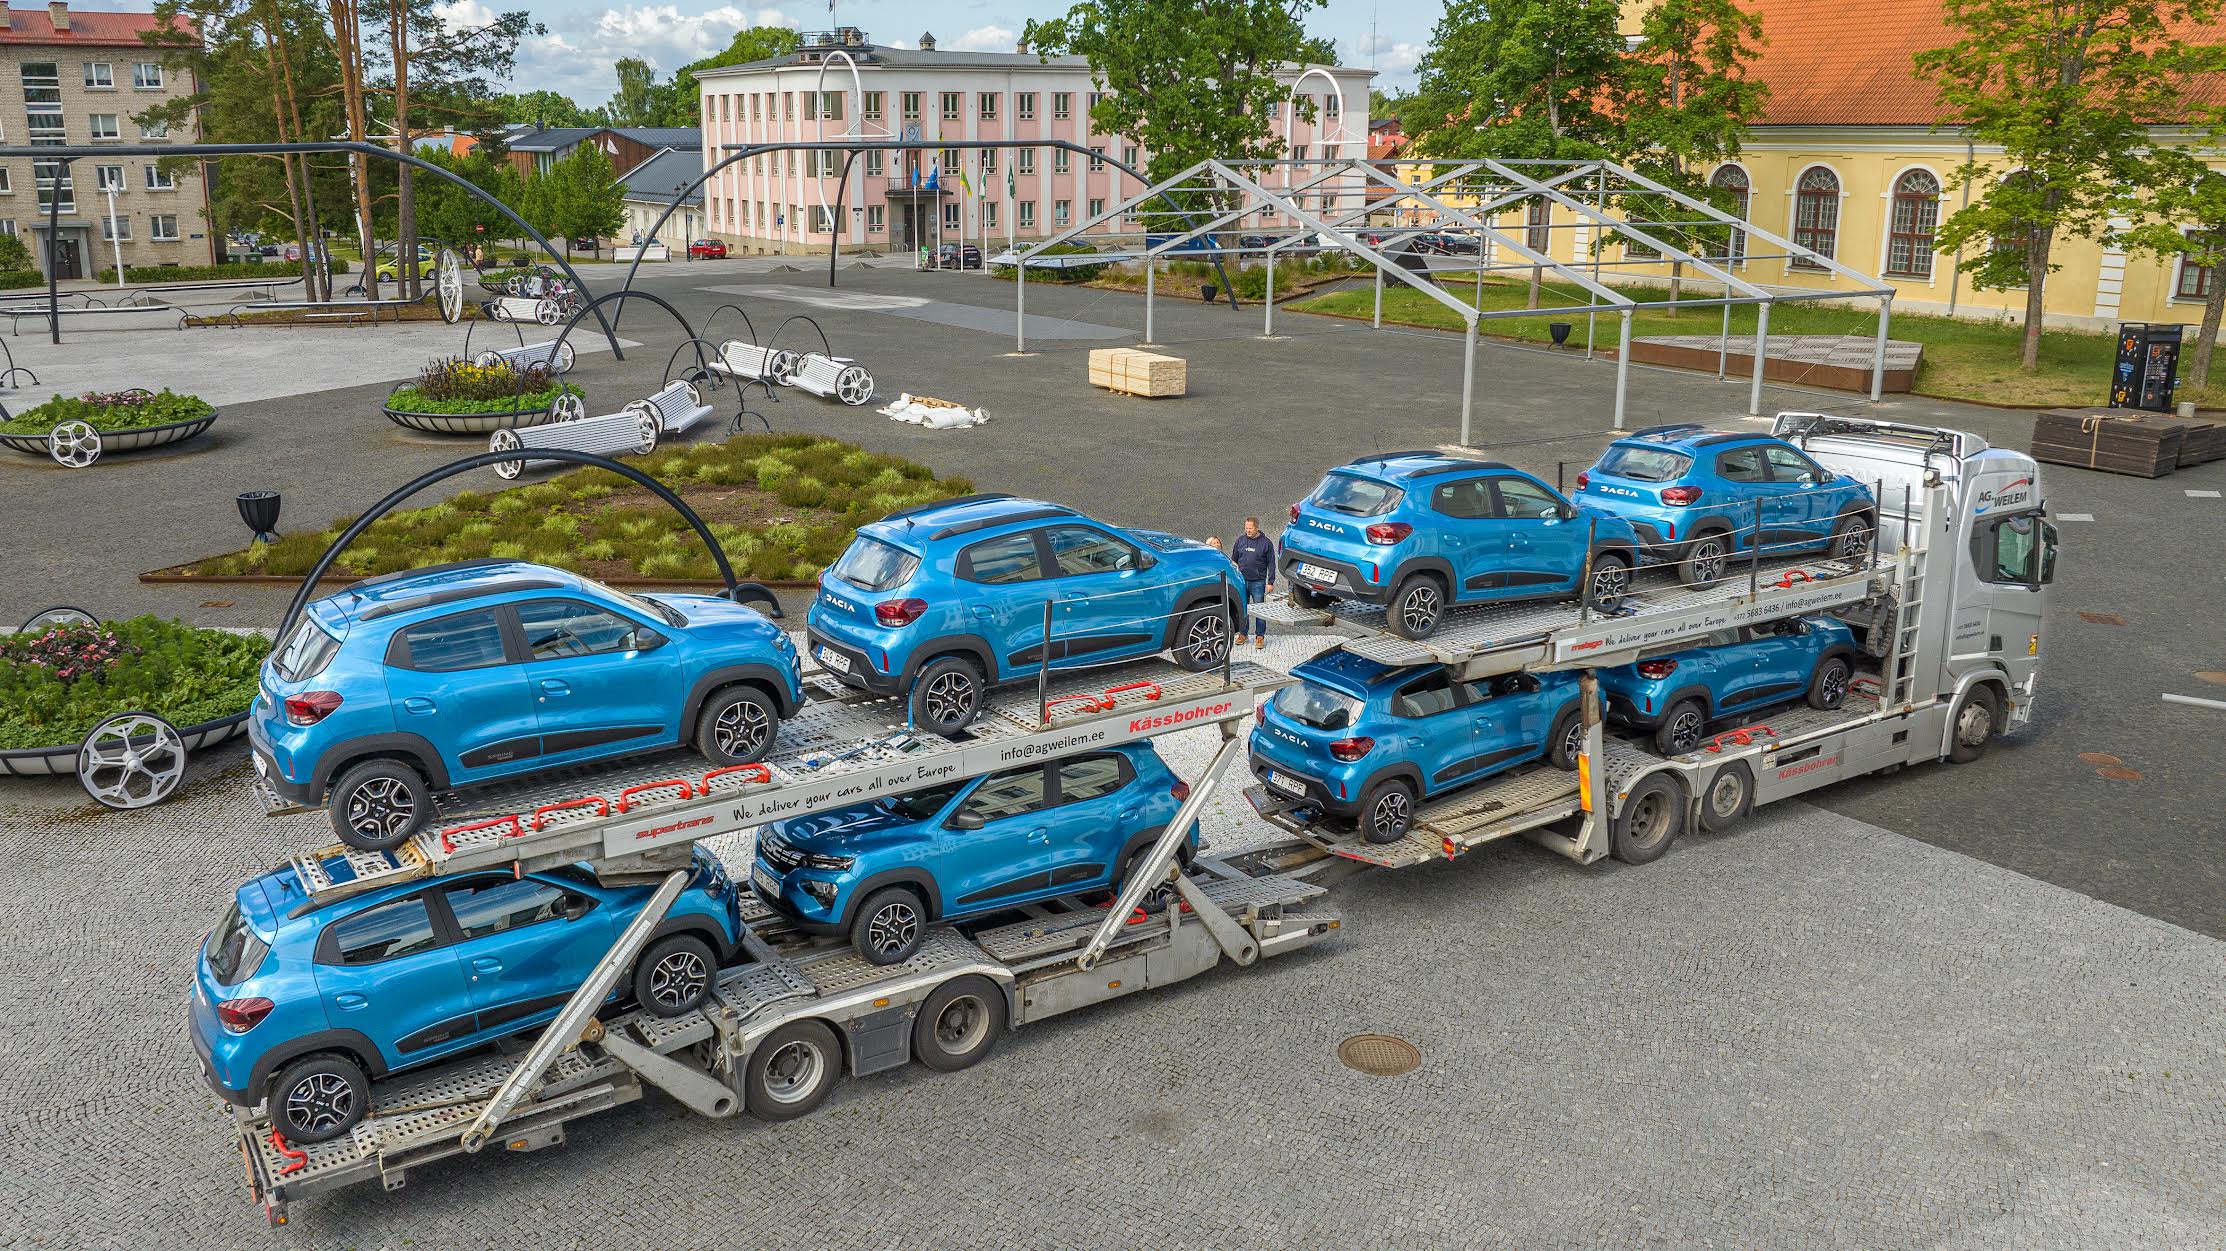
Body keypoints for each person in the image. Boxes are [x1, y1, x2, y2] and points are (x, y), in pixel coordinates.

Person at [1228, 518, 1276, 649]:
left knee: (1260, 610)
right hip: (1242, 581)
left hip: (1258, 582)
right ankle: (1243, 634)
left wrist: (1270, 582)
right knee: (1243, 608)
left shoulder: (1266, 543)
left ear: (1256, 528)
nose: (1247, 530)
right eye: (1246, 528)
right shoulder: (1240, 541)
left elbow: (1271, 563)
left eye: (1250, 528)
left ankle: (1260, 636)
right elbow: (1234, 561)